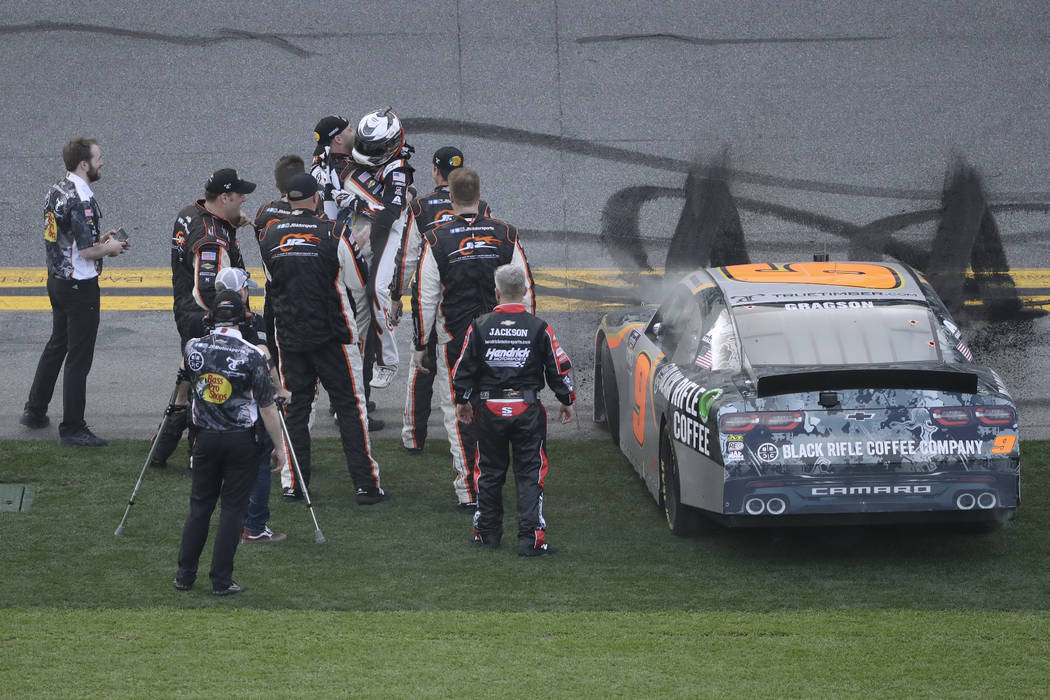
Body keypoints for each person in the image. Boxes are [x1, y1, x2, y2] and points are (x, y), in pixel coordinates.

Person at [258, 173, 386, 505]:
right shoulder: (335, 232)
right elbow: (359, 283)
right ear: (316, 200)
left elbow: (273, 281)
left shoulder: (269, 234)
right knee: (350, 408)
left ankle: (294, 485)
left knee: (295, 409)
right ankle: (365, 485)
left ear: (288, 200)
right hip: (333, 337)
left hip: (289, 338)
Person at [413, 167, 534, 509]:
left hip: (458, 344)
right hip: (504, 340)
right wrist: (528, 336)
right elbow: (525, 291)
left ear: (450, 198)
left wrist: (422, 343)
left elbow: (425, 297)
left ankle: (470, 490)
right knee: (506, 409)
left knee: (460, 412)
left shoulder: (436, 239)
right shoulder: (506, 234)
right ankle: (513, 482)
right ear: (480, 196)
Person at [453, 264, 575, 556]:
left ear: (496, 293)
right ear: (524, 291)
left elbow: (463, 369)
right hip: (527, 409)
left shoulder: (479, 325)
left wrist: (463, 400)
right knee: (530, 474)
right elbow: (559, 367)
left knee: (489, 472)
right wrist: (566, 399)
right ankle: (531, 539)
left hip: (490, 410)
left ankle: (486, 535)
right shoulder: (539, 327)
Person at [173, 290, 289, 595]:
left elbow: (184, 381)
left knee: (199, 507)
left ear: (209, 318)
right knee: (232, 510)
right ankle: (221, 580)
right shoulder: (253, 355)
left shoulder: (193, 348)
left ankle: (184, 575)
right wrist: (279, 447)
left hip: (204, 439)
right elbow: (267, 407)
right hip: (241, 441)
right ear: (246, 318)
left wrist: (183, 401)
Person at [22, 137, 129, 446]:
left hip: (56, 280)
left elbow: (68, 237)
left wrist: (101, 239)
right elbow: (86, 251)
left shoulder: (57, 189)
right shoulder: (81, 200)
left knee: (58, 344)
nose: (102, 162)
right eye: (98, 158)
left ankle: (35, 410)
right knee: (78, 359)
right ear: (84, 163)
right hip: (79, 288)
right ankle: (72, 428)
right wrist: (110, 247)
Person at [151, 168, 256, 468]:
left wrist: (231, 222)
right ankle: (197, 456)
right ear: (224, 197)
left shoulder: (190, 212)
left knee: (186, 384)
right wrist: (238, 314)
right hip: (203, 321)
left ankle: (159, 452)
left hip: (185, 311)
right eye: (238, 195)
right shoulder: (211, 240)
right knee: (205, 389)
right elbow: (209, 291)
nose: (244, 198)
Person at [389, 147, 490, 454]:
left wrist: (396, 296)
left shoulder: (419, 207)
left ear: (435, 172)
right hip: (472, 302)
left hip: (429, 301)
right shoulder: (481, 206)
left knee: (421, 366)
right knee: (472, 368)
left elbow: (405, 256)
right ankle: (475, 432)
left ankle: (413, 437)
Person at [210, 267, 290, 543]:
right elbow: (265, 357)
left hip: (215, 408)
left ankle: (228, 520)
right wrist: (279, 389)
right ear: (241, 292)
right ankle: (254, 527)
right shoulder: (252, 322)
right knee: (261, 462)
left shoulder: (206, 322)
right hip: (250, 408)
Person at [342, 108, 415, 392]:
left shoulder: (397, 170)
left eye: (370, 148)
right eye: (362, 144)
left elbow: (389, 214)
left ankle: (388, 362)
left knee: (376, 291)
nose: (362, 150)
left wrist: (353, 201)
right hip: (370, 227)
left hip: (391, 230)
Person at [310, 115, 354, 221]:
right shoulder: (341, 172)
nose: (355, 132)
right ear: (338, 139)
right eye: (350, 130)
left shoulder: (320, 159)